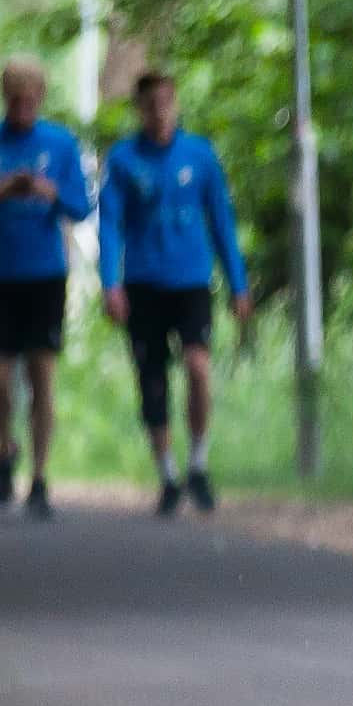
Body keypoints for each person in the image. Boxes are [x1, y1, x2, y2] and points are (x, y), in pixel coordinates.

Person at [97, 72, 253, 515]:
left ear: (176, 104)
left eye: (167, 102)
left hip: (191, 281)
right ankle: (167, 473)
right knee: (152, 379)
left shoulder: (199, 155)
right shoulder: (125, 160)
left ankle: (198, 463)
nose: (160, 112)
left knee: (198, 367)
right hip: (143, 283)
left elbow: (221, 221)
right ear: (140, 109)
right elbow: (110, 223)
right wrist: (111, 282)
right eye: (151, 105)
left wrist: (238, 284)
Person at [0, 55, 94, 517]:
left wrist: (47, 191)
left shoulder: (60, 144)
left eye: (31, 99)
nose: (23, 107)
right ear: (5, 99)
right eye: (16, 100)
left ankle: (39, 476)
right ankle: (5, 446)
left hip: (44, 273)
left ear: (41, 98)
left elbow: (81, 206)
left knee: (41, 375)